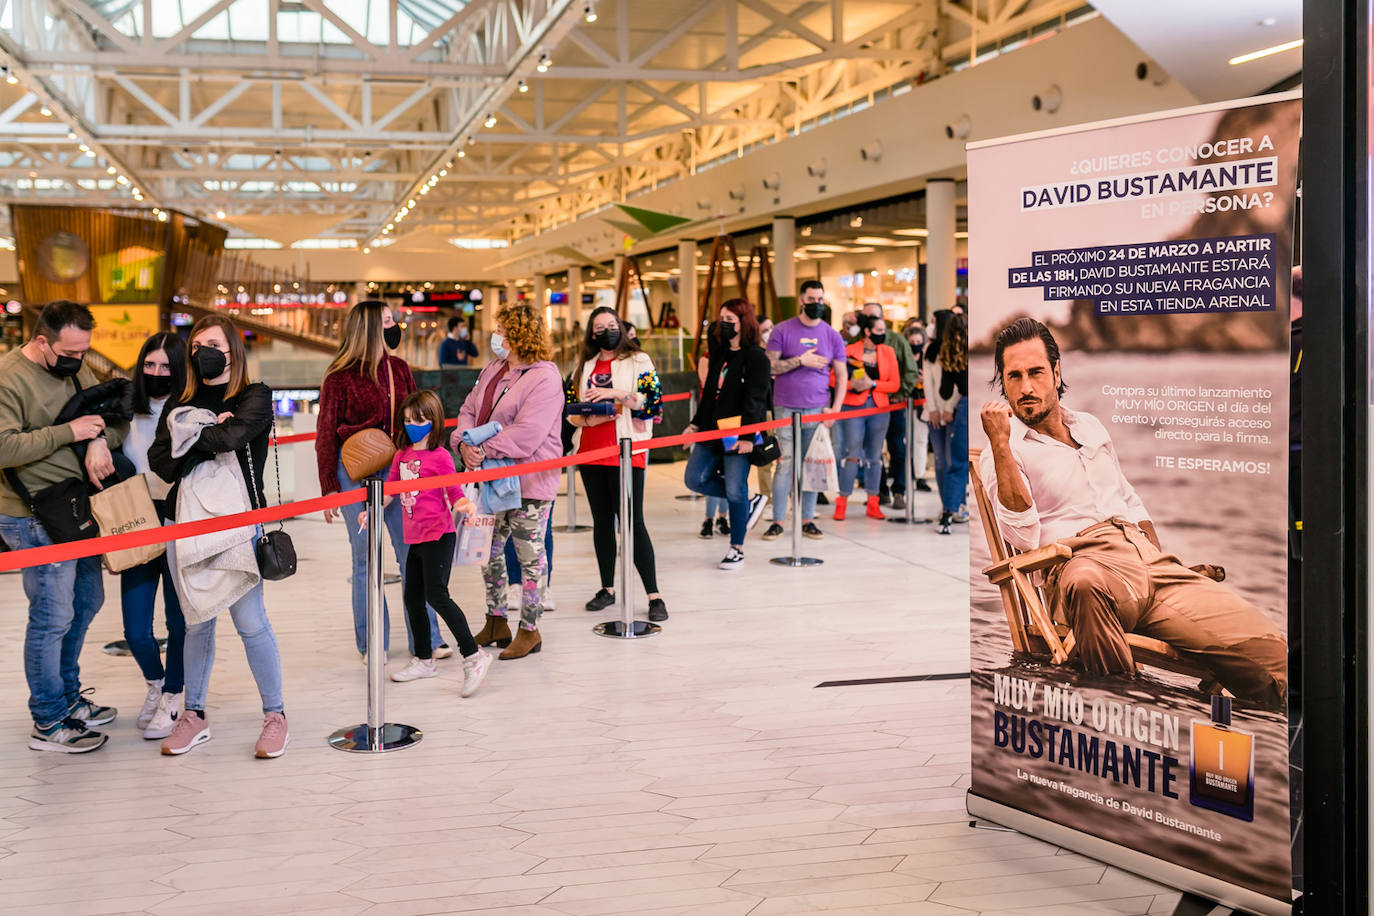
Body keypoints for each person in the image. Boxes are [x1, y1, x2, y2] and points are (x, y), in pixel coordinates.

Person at [978, 318, 1287, 705]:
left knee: (1276, 657)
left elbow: (1129, 499)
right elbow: (1021, 539)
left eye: (1036, 372)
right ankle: (1121, 707)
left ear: (1056, 373)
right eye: (1014, 376)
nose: (1025, 387)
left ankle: (1265, 729)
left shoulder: (1090, 427)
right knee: (1087, 583)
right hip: (1079, 563)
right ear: (1002, 383)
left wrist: (1157, 560)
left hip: (1146, 564)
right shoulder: (1003, 452)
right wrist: (1002, 445)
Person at [148, 315, 289, 757]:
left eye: (212, 343)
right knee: (196, 623)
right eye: (196, 345)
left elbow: (235, 436)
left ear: (232, 349)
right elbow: (161, 462)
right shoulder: (179, 400)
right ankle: (194, 714)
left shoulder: (254, 395)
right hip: (184, 523)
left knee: (251, 622)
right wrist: (207, 433)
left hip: (239, 522)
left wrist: (191, 435)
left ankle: (275, 714)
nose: (202, 351)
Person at [0, 300, 126, 753]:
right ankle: (49, 720)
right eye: (70, 352)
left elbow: (113, 418)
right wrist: (70, 433)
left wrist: (96, 441)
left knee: (87, 599)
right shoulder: (8, 377)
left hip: (76, 509)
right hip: (30, 513)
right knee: (51, 617)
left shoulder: (74, 369)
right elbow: (3, 448)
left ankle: (68, 698)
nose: (78, 361)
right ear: (41, 342)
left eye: (84, 351)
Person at [316, 300, 444, 661]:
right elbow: (326, 433)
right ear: (370, 328)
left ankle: (428, 637)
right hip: (352, 472)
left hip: (397, 471)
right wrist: (328, 487)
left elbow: (417, 422)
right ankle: (372, 642)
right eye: (387, 321)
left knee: (410, 556)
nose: (394, 326)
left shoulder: (399, 368)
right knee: (365, 560)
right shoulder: (338, 377)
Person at [362, 390, 493, 695]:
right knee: (412, 598)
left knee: (437, 595)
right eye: (407, 420)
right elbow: (391, 491)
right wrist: (372, 511)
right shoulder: (401, 456)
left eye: (417, 420)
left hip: (439, 535)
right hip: (415, 537)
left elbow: (454, 493)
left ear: (432, 421)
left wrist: (466, 506)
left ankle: (474, 655)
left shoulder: (442, 457)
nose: (411, 425)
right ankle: (424, 659)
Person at [452, 303, 563, 659]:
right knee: (489, 551)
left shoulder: (544, 377)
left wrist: (480, 449)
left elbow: (527, 434)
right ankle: (496, 619)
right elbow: (469, 409)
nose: (494, 335)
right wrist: (463, 443)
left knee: (530, 556)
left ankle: (530, 629)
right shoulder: (493, 370)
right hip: (491, 481)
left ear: (518, 334)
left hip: (530, 481)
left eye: (501, 328)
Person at [567, 307, 667, 621]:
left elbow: (651, 403)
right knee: (601, 522)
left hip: (627, 450)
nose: (607, 330)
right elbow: (571, 411)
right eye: (600, 327)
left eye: (612, 325)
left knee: (632, 522)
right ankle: (607, 588)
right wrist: (591, 418)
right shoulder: (585, 364)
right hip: (590, 451)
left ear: (621, 328)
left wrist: (616, 394)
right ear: (592, 333)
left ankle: (654, 595)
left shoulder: (639, 361)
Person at [121, 332, 189, 740]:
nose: (157, 373)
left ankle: (174, 695)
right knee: (136, 629)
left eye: (166, 367)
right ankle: (155, 683)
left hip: (181, 518)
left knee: (179, 621)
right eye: (150, 365)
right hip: (137, 520)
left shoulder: (189, 409)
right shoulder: (127, 409)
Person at [685, 299, 771, 569]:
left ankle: (737, 548)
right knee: (695, 479)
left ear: (744, 322)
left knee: (735, 488)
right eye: (721, 317)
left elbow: (756, 399)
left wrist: (747, 435)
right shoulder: (720, 353)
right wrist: (696, 423)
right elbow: (709, 392)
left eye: (730, 318)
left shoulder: (756, 356)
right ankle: (749, 503)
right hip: (711, 429)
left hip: (737, 432)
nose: (724, 323)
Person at [762, 280, 847, 541]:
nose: (816, 304)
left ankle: (808, 519)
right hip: (785, 407)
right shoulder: (782, 330)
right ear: (801, 300)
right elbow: (770, 367)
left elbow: (842, 374)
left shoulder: (832, 335)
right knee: (785, 463)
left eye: (820, 299)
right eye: (811, 299)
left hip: (817, 409)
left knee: (812, 466)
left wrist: (835, 408)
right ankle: (777, 520)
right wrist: (801, 360)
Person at [834, 315, 900, 521]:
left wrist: (873, 384)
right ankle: (842, 500)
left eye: (884, 330)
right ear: (868, 331)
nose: (883, 334)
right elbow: (833, 376)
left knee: (875, 456)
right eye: (879, 330)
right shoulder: (849, 351)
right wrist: (850, 384)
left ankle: (873, 501)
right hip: (853, 406)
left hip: (879, 407)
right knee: (852, 453)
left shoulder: (888, 352)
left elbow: (894, 384)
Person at [858, 304, 920, 510]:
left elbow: (911, 371)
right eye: (865, 318)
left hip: (892, 404)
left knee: (897, 447)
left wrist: (898, 395)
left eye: (873, 317)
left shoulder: (896, 340)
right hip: (866, 407)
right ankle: (880, 490)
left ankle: (899, 491)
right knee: (872, 451)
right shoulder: (855, 342)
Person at [925, 310, 968, 534]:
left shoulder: (951, 354)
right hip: (972, 406)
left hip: (960, 407)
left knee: (956, 462)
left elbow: (945, 389)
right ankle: (957, 508)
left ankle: (950, 512)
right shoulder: (971, 352)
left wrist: (947, 406)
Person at [902, 319, 932, 495]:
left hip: (921, 403)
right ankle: (906, 473)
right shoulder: (903, 357)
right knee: (905, 441)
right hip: (904, 402)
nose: (915, 346)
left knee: (920, 440)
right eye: (912, 343)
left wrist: (924, 380)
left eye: (918, 343)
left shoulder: (927, 358)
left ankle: (919, 475)